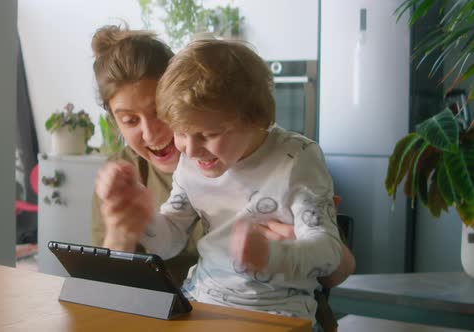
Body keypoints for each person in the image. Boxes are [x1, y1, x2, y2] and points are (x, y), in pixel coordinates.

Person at [91, 25, 354, 331]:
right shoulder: (186, 161)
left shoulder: (297, 159)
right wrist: (141, 216)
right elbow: (170, 239)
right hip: (201, 303)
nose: (189, 149)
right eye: (181, 131)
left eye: (208, 134)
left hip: (279, 312)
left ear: (255, 117)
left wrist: (272, 255)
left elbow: (332, 255)